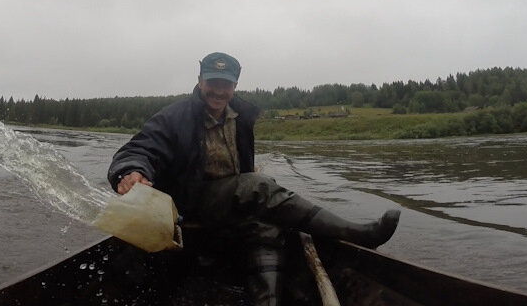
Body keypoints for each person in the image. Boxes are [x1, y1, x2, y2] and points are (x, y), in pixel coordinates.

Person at [108, 52, 400, 306]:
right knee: (258, 187)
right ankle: (356, 233)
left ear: (235, 85)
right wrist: (132, 171)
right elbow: (139, 149)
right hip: (188, 204)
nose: (219, 92)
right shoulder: (175, 117)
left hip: (230, 201)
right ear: (200, 82)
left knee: (267, 222)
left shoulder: (241, 116)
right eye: (213, 83)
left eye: (226, 84)